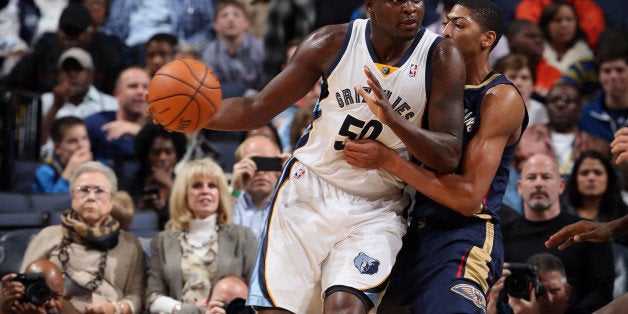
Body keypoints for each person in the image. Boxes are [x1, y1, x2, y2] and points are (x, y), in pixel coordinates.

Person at [156, 0, 468, 312]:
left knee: (344, 308)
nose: (411, 8)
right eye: (398, 0)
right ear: (371, 4)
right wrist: (193, 115)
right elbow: (257, 109)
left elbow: (448, 155)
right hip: (310, 190)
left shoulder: (441, 56)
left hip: (377, 204)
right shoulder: (331, 42)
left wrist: (393, 120)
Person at [341, 1, 527, 312]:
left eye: (459, 25)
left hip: (466, 234)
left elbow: (468, 197)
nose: (446, 32)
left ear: (487, 39)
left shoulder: (500, 98)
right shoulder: (428, 84)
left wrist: (387, 160)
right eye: (445, 23)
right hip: (415, 230)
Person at [21, 161, 146, 313]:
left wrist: (115, 308)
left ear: (112, 200)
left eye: (99, 191)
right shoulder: (48, 236)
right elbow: (23, 284)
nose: (91, 197)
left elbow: (137, 296)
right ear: (72, 196)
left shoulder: (130, 244)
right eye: (84, 190)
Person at [502, 154, 614, 311]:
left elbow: (601, 294)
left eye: (546, 177)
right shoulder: (502, 235)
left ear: (561, 185)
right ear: (519, 187)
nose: (538, 184)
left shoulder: (587, 232)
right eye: (531, 177)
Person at [145, 158, 257, 314]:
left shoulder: (243, 236)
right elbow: (153, 297)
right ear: (183, 193)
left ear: (220, 193)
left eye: (212, 185)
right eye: (197, 186)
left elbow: (256, 292)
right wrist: (185, 309)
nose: (206, 190)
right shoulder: (162, 241)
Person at [40, 47, 118, 148]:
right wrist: (55, 106)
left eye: (78, 69)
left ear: (91, 75)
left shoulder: (110, 104)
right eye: (66, 70)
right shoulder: (43, 101)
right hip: (50, 161)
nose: (72, 74)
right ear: (58, 75)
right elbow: (35, 143)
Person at [84, 66, 150, 173]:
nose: (140, 92)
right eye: (133, 86)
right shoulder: (95, 124)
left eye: (146, 87)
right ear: (117, 94)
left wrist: (140, 132)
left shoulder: (160, 128)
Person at [123, 122, 187, 228]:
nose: (162, 158)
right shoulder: (130, 185)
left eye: (168, 152)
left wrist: (170, 186)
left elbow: (188, 220)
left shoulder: (186, 186)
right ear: (146, 155)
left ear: (177, 155)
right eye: (156, 152)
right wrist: (139, 212)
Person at [487, 253, 589, 314]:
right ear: (528, 291)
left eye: (555, 291)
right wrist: (491, 306)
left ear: (567, 292)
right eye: (541, 291)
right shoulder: (510, 310)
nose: (549, 299)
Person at [202, 0, 264, 93]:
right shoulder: (210, 52)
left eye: (236, 15)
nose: (230, 19)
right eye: (224, 15)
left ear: (246, 23)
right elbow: (212, 88)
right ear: (216, 25)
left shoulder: (261, 47)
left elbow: (269, 81)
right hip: (224, 102)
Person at [534, 1, 593, 98]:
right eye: (558, 20)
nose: (564, 25)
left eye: (569, 19)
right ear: (546, 25)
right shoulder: (535, 52)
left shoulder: (586, 56)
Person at [230, 135, 283, 241]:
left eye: (268, 164)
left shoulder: (290, 204)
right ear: (239, 166)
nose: (262, 172)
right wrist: (234, 189)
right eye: (255, 164)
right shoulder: (229, 201)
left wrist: (292, 178)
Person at [33, 116, 92, 194]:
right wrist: (69, 172)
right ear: (57, 147)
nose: (81, 145)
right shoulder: (44, 172)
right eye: (72, 141)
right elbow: (50, 203)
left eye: (84, 138)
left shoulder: (101, 166)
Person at [0, 259, 72, 314]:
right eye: (42, 294)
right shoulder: (12, 304)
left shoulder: (69, 311)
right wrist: (3, 310)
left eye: (57, 297)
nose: (52, 304)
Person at [493, 53, 548, 126]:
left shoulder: (541, 110)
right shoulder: (490, 109)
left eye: (524, 78)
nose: (518, 83)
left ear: (533, 84)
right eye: (512, 77)